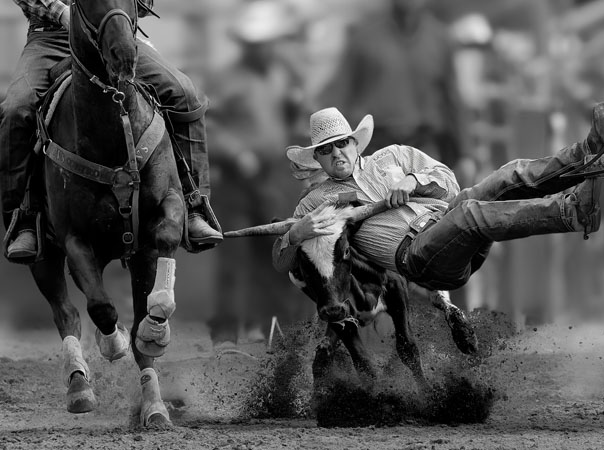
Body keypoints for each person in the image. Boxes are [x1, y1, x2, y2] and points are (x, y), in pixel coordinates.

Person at [273, 106, 604, 344]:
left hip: (443, 221)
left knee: (502, 179)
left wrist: (413, 181)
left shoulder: (394, 156)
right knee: (471, 213)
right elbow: (281, 260)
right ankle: (572, 212)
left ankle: (587, 153)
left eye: (342, 143)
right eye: (327, 149)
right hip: (418, 258)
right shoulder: (315, 202)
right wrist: (296, 233)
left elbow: (448, 181)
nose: (337, 153)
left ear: (355, 142)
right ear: (317, 158)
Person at [0, 0, 222, 262]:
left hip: (111, 30)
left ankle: (194, 205)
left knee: (185, 93)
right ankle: (23, 217)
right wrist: (63, 13)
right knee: (16, 109)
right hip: (51, 39)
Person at [204, 0, 312, 345]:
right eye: (259, 43)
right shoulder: (226, 79)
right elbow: (207, 124)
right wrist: (236, 152)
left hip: (273, 176)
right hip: (236, 178)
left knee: (276, 250)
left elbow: (294, 117)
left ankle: (267, 326)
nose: (266, 49)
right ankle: (226, 332)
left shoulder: (282, 76)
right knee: (235, 256)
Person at [318, 0, 467, 170]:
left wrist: (466, 154)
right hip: (375, 148)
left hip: (426, 147)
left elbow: (453, 99)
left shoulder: (440, 39)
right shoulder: (365, 38)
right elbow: (340, 91)